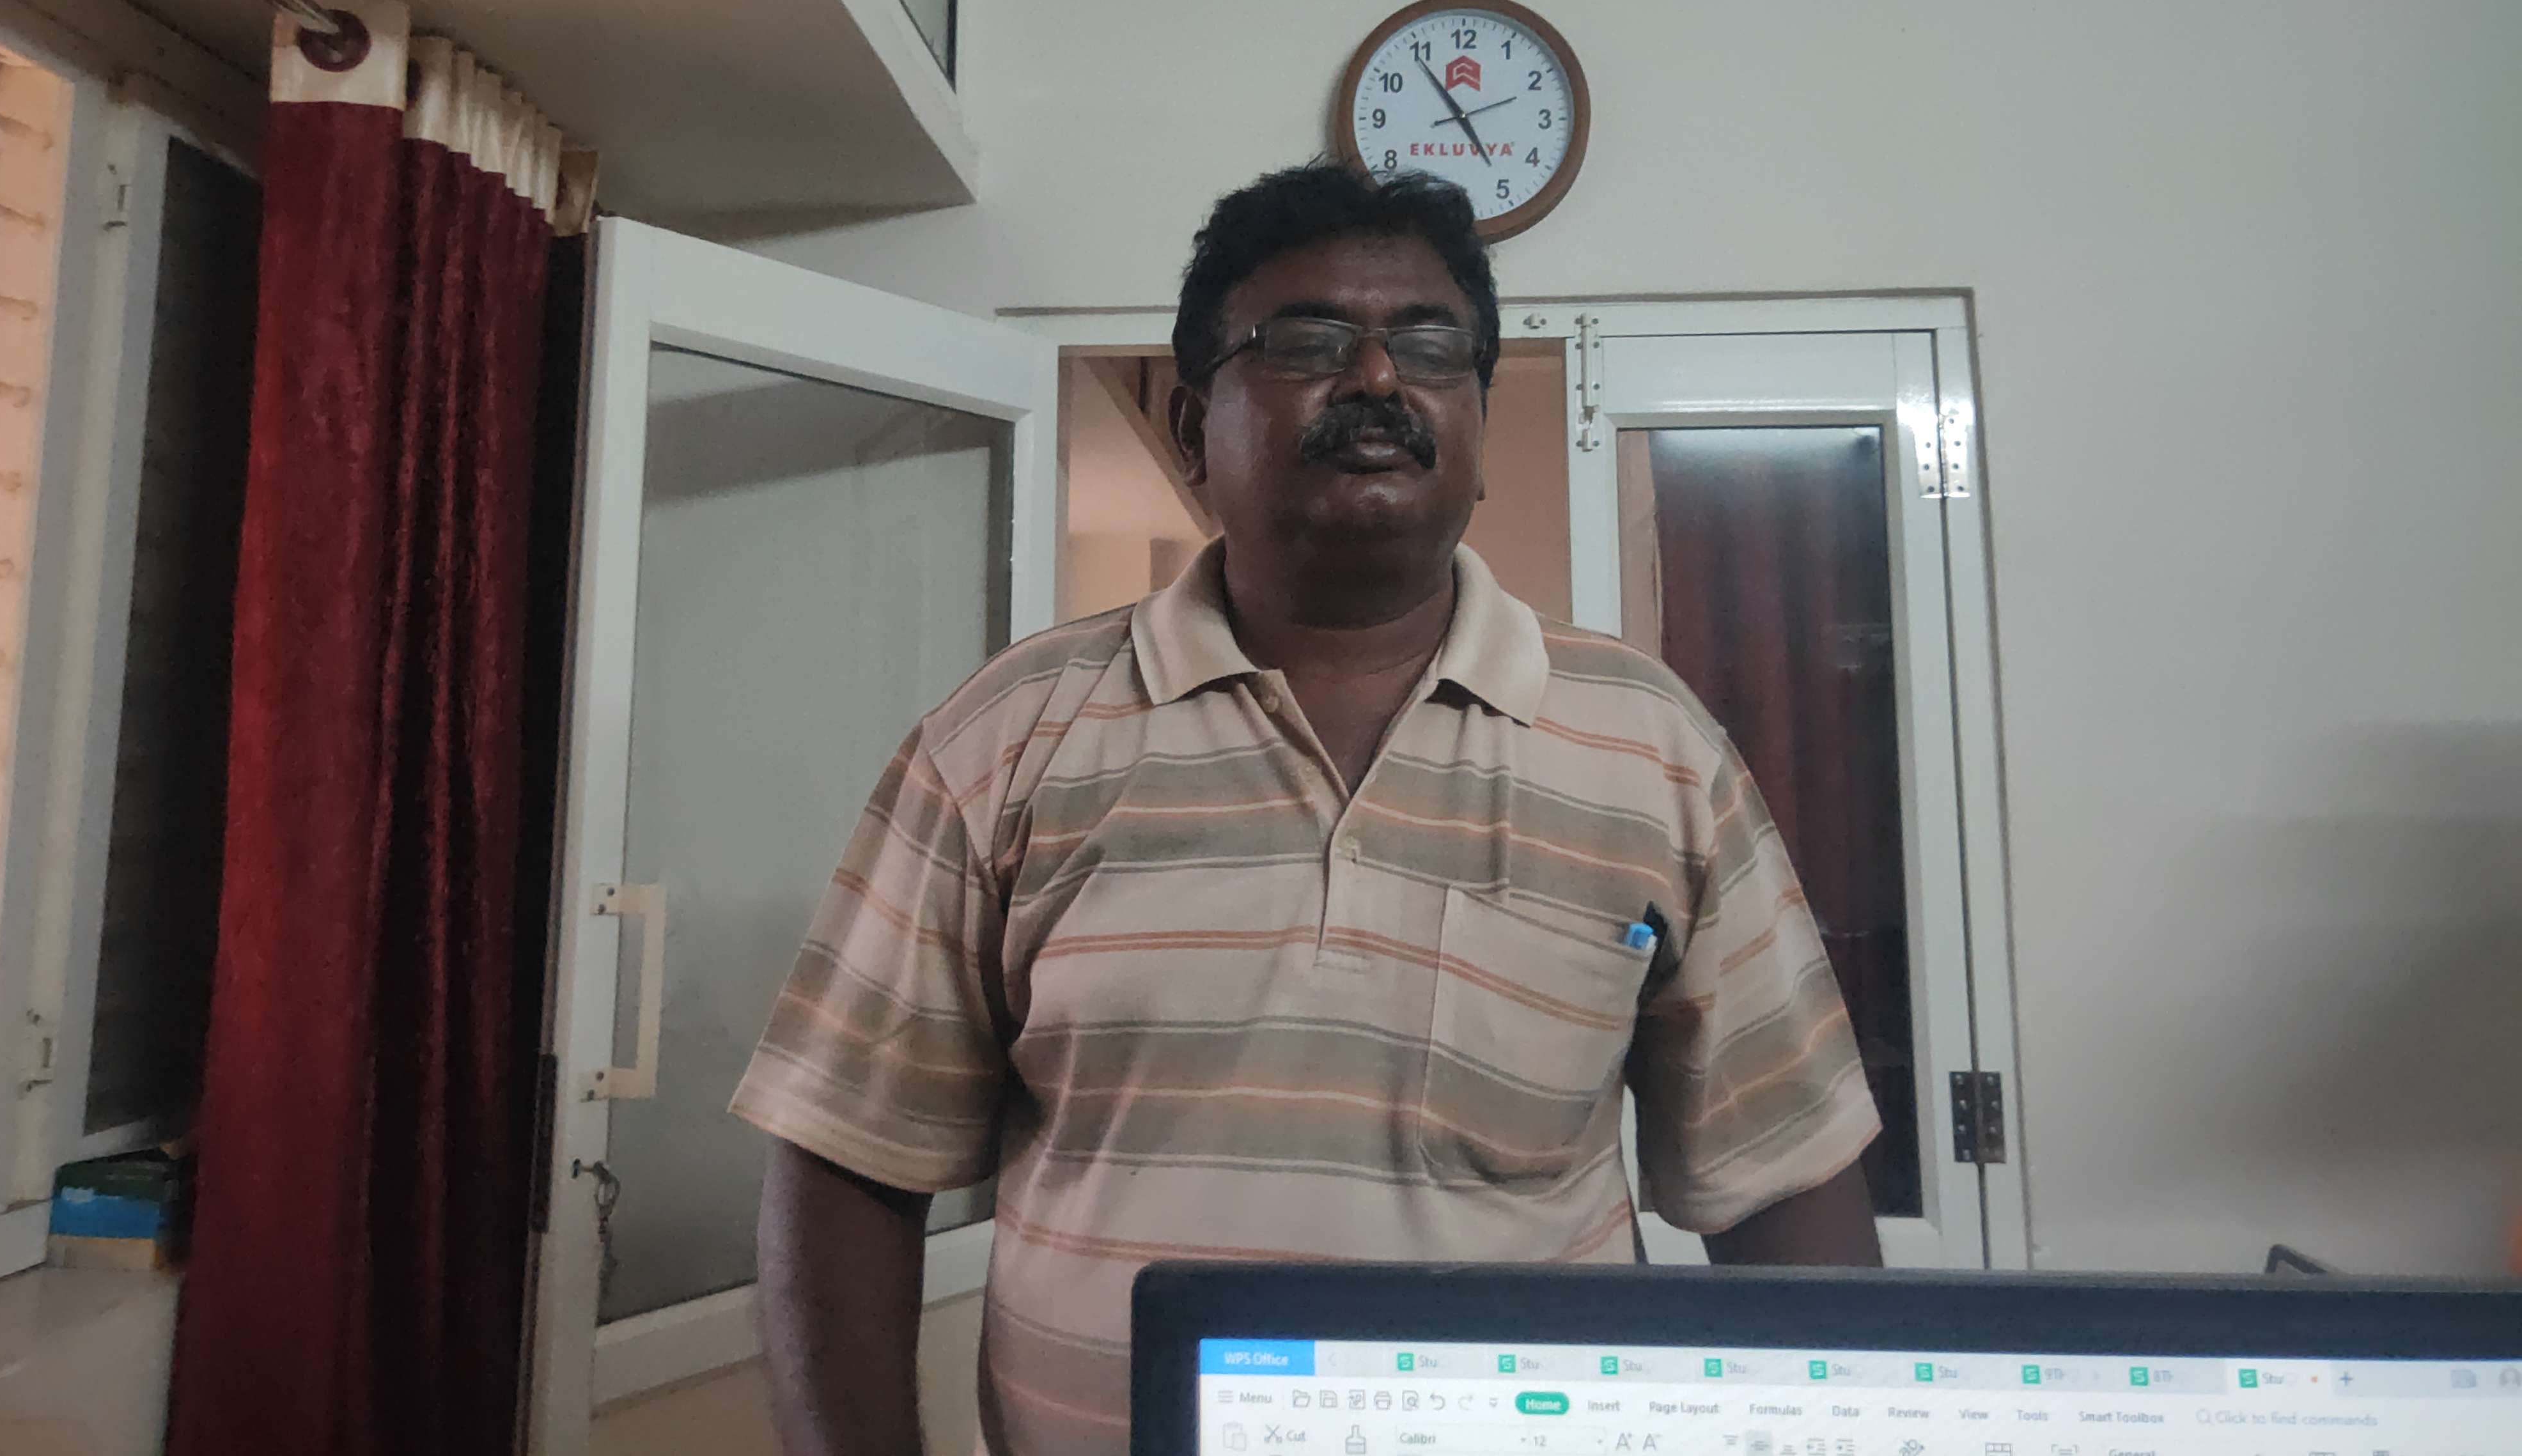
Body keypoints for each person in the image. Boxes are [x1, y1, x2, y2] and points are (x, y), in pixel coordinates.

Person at [733, 164, 1883, 1456]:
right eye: (1309, 341)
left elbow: (1785, 1181)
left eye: (1431, 347)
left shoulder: (1651, 748)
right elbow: (847, 1159)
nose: (1379, 378)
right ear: (1190, 428)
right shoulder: (1006, 737)